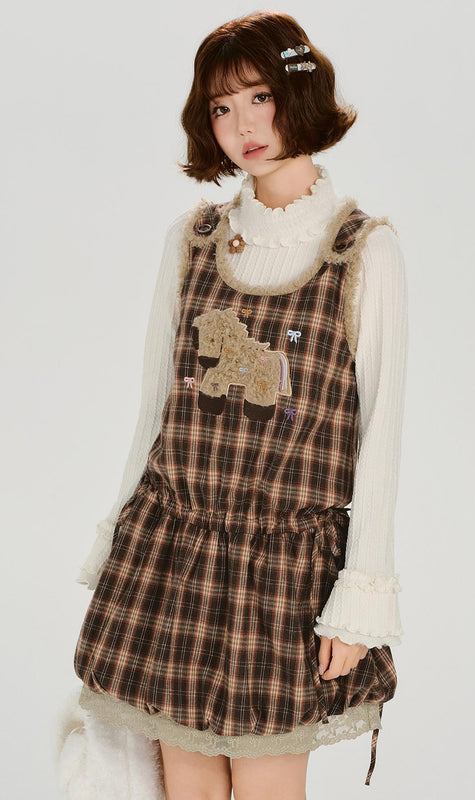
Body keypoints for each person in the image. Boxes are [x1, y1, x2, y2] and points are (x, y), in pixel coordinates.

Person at [64, 10, 408, 800]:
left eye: (259, 96)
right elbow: (154, 412)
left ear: (300, 93)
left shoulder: (362, 251)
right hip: (175, 549)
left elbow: (379, 437)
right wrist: (118, 540)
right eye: (221, 107)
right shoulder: (193, 241)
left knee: (266, 785)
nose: (243, 125)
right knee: (185, 783)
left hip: (284, 570)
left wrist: (359, 598)